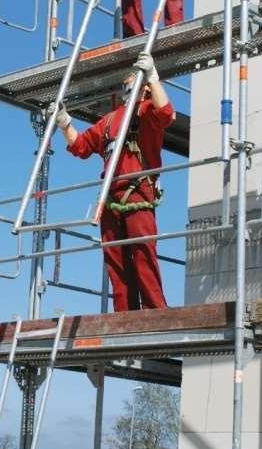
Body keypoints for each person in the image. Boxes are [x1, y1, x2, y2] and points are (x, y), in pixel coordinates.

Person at [53, 51, 174, 311]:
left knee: (143, 257)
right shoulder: (109, 120)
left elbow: (166, 112)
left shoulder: (146, 111)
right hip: (110, 199)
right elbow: (81, 146)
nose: (130, 77)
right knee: (117, 263)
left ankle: (156, 314)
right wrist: (64, 123)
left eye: (135, 76)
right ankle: (125, 317)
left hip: (138, 194)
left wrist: (153, 77)